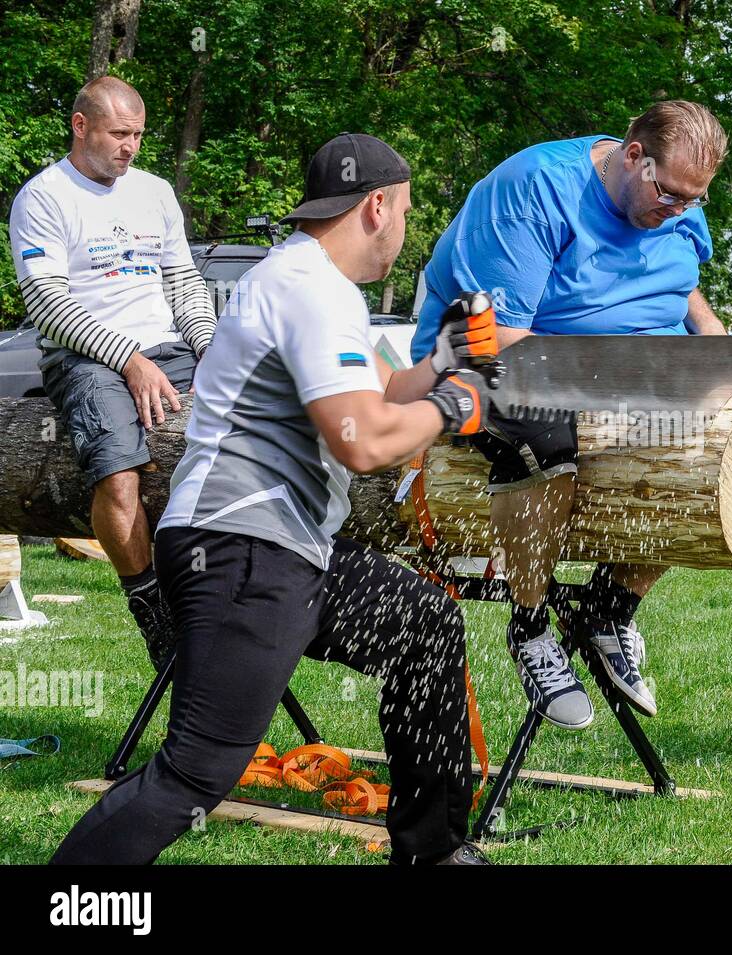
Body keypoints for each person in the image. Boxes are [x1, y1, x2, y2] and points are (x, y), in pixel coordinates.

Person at [50, 133, 494, 865]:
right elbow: (360, 438)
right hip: (241, 548)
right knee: (196, 770)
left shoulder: (306, 279)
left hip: (287, 547)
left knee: (425, 625)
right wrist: (457, 405)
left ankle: (433, 851)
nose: (407, 228)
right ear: (377, 206)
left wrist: (444, 363)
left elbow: (370, 399)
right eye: (408, 211)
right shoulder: (310, 289)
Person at [411, 100, 729, 730]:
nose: (678, 210)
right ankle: (529, 627)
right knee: (546, 434)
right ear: (633, 156)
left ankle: (610, 609)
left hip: (625, 367)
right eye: (669, 194)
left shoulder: (675, 199)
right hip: (490, 361)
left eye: (694, 200)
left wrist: (708, 331)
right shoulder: (531, 189)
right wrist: (612, 377)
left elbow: (681, 276)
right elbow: (496, 335)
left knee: (714, 445)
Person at [7, 76, 216, 670]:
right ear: (80, 125)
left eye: (139, 135)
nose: (131, 147)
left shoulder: (153, 192)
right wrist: (129, 360)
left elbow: (182, 281)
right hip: (84, 357)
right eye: (119, 134)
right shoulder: (44, 197)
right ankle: (154, 615)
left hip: (168, 345)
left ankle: (218, 598)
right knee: (119, 473)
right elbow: (47, 303)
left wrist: (209, 350)